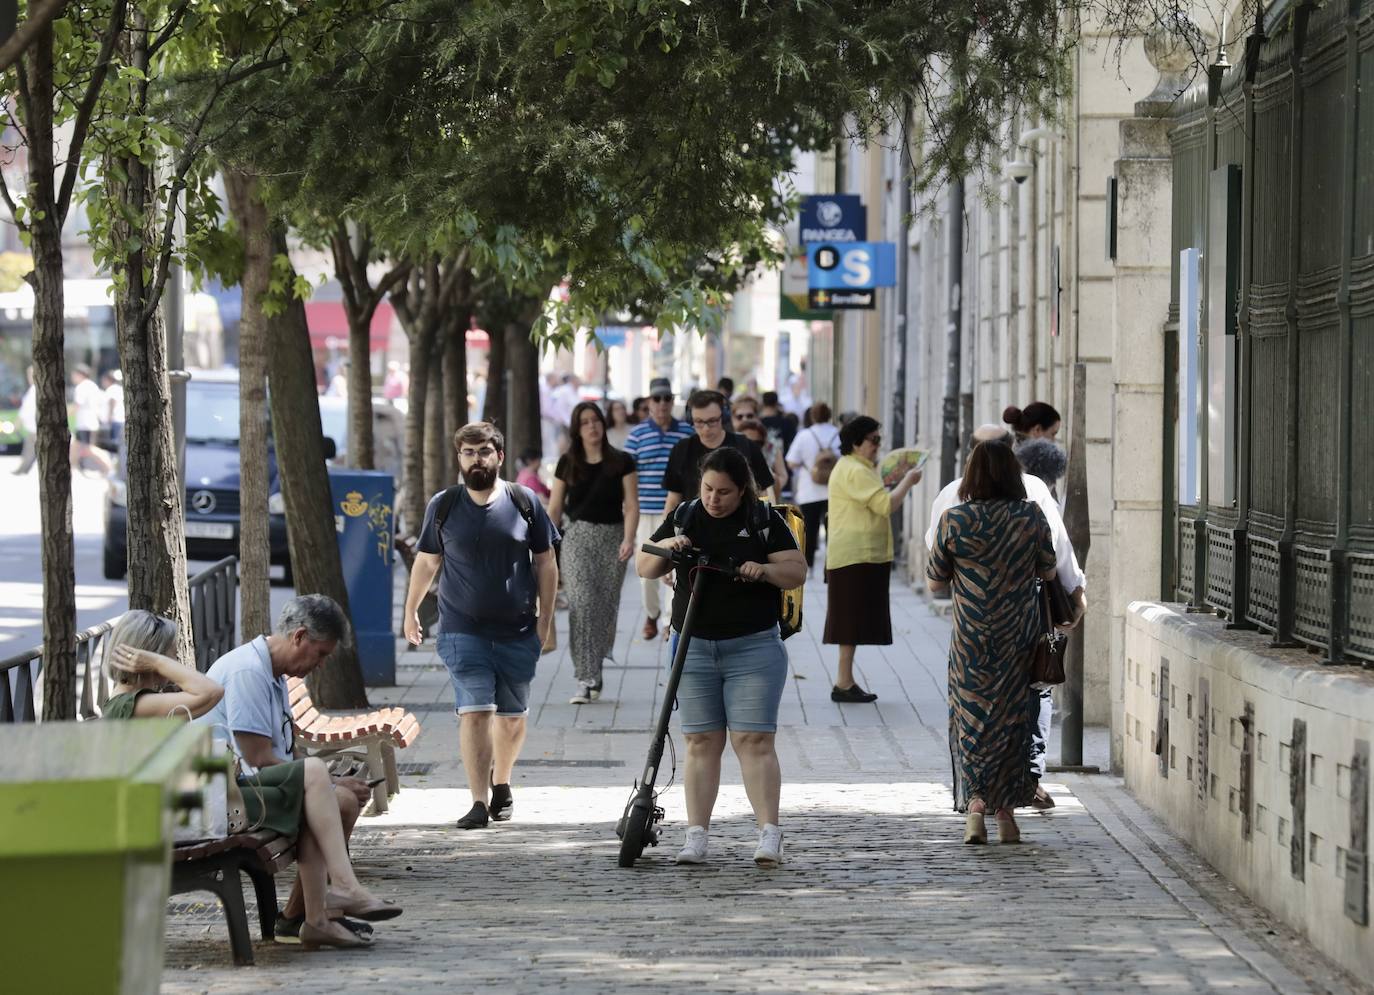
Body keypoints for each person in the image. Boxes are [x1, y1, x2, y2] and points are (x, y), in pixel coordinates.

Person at [190, 598, 401, 948]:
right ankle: (336, 897)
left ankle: (308, 918)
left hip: (253, 786)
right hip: (226, 798)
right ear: (299, 636)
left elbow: (285, 750)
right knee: (331, 792)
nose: (320, 665)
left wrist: (332, 782)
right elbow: (259, 757)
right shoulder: (248, 672)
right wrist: (326, 780)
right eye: (320, 654)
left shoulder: (273, 673)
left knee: (343, 799)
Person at [636, 447, 807, 867]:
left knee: (753, 740)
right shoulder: (687, 515)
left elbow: (796, 570)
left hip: (753, 645)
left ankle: (769, 834)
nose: (714, 499)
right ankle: (696, 836)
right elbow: (645, 565)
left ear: (742, 490)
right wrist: (669, 547)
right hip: (692, 645)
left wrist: (763, 570)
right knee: (700, 741)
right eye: (708, 489)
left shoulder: (764, 520)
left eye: (724, 492)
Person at [403, 422, 560, 830]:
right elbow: (426, 562)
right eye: (469, 453)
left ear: (499, 457)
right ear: (459, 458)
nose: (477, 459)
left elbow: (545, 562)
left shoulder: (524, 501)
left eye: (484, 452)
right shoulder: (444, 505)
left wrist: (546, 620)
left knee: (511, 719)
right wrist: (411, 612)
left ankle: (501, 783)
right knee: (474, 712)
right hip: (461, 628)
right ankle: (476, 800)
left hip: (517, 629)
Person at [924, 424, 1086, 810]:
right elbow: (1052, 566)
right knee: (1020, 712)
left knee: (971, 714)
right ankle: (1014, 801)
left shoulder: (953, 512)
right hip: (1021, 630)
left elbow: (934, 580)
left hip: (971, 635)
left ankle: (976, 799)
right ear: (1013, 460)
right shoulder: (1031, 511)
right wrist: (1076, 596)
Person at [823, 415, 923, 704]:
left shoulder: (855, 467)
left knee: (850, 620)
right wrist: (908, 480)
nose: (878, 446)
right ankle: (843, 682)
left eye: (879, 440)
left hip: (856, 552)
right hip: (858, 553)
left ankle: (845, 680)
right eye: (874, 440)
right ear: (856, 443)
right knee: (849, 620)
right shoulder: (856, 470)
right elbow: (886, 505)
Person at [549, 401, 639, 703]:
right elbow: (555, 508)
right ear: (577, 428)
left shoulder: (622, 461)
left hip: (613, 539)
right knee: (582, 604)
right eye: (585, 422)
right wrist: (547, 544)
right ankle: (584, 678)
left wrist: (629, 539)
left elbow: (631, 505)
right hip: (577, 538)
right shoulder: (567, 463)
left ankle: (594, 669)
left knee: (603, 610)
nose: (592, 426)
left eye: (596, 420)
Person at [623, 377, 693, 640]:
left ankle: (668, 620)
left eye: (667, 398)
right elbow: (627, 475)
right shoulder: (637, 435)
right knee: (648, 568)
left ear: (672, 401)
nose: (662, 403)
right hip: (646, 510)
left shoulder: (686, 432)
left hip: (677, 512)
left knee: (675, 564)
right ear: (649, 402)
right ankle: (652, 613)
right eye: (657, 398)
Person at [661, 390, 773, 517]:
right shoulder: (681, 449)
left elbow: (763, 495)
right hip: (693, 530)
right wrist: (666, 533)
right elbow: (673, 498)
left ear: (724, 417)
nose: (706, 428)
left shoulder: (746, 446)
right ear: (690, 419)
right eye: (699, 422)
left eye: (712, 421)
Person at [785, 402, 841, 570]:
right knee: (833, 529)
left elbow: (792, 462)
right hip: (834, 489)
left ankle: (808, 565)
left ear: (812, 416)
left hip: (809, 491)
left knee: (809, 529)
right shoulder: (837, 434)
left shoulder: (804, 435)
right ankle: (830, 565)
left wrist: (807, 464)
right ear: (829, 415)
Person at [70, 364, 112, 474]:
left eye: (74, 375)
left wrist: (67, 414)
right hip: (90, 422)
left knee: (89, 449)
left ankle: (108, 466)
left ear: (80, 375)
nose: (73, 378)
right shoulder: (93, 386)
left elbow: (77, 405)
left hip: (85, 423)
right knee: (75, 446)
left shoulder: (81, 387)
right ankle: (71, 469)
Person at [12, 366, 36, 475]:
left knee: (30, 449)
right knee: (30, 448)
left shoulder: (34, 390)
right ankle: (24, 468)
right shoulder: (33, 389)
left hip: (34, 426)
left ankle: (23, 469)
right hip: (33, 426)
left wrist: (18, 422)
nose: (29, 377)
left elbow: (26, 410)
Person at [101, 370, 125, 449]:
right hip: (120, 419)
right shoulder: (119, 389)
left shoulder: (111, 389)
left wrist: (109, 416)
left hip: (115, 420)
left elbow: (112, 402)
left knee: (115, 442)